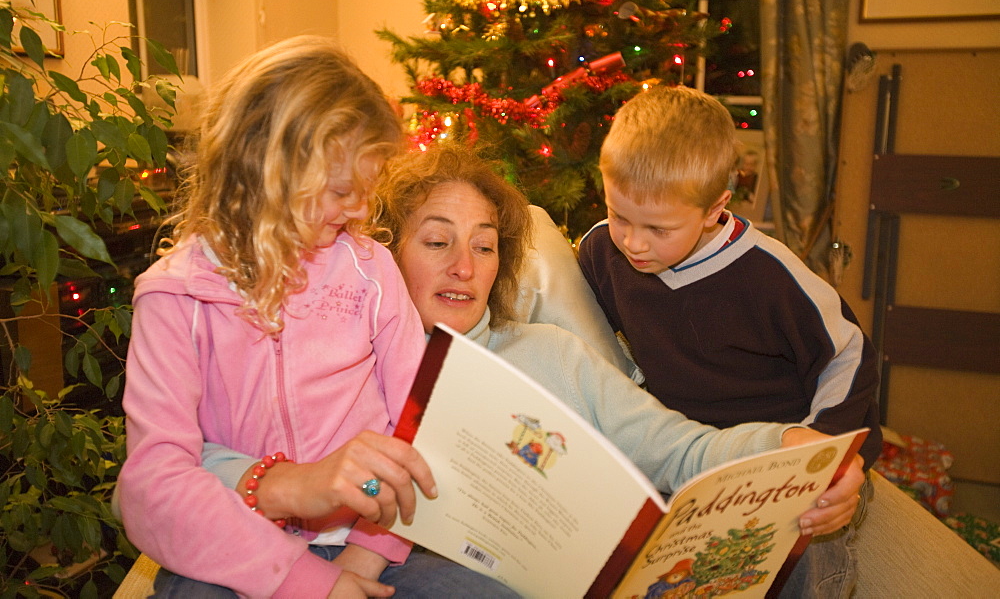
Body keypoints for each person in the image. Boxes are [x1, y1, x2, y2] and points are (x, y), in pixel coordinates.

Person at [203, 141, 864, 544]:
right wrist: (292, 485)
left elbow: (678, 450)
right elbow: (195, 460)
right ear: (384, 254)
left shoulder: (549, 356)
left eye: (485, 246)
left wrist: (788, 449)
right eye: (438, 242)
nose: (465, 266)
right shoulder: (338, 357)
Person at [116, 36, 518, 598]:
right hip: (236, 548)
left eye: (365, 190)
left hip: (369, 545)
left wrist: (359, 564)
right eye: (340, 192)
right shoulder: (175, 297)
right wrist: (308, 584)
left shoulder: (372, 272)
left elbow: (419, 429)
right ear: (265, 171)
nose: (359, 211)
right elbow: (155, 485)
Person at [576, 84, 882, 598]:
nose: (633, 242)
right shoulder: (599, 252)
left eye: (659, 228)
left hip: (787, 460)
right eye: (620, 215)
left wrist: (831, 459)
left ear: (716, 207)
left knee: (799, 558)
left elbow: (848, 357)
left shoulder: (772, 276)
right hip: (687, 461)